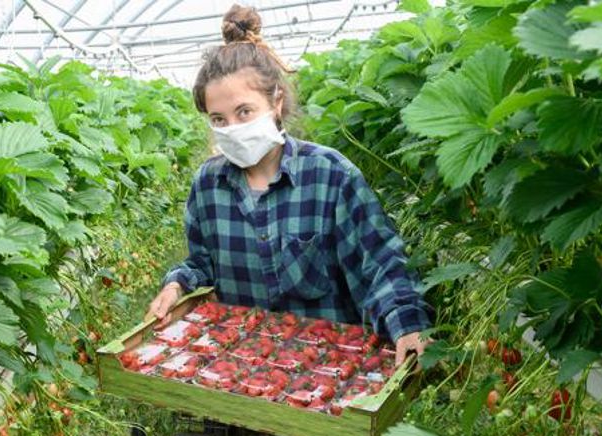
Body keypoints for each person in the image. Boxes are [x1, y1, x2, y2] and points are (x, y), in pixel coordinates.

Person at [146, 4, 431, 367]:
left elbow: (380, 262)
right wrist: (177, 285)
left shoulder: (330, 176)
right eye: (219, 119)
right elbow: (201, 263)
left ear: (276, 102)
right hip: (246, 365)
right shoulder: (208, 185)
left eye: (244, 112)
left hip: (329, 366)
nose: (232, 128)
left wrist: (406, 324)